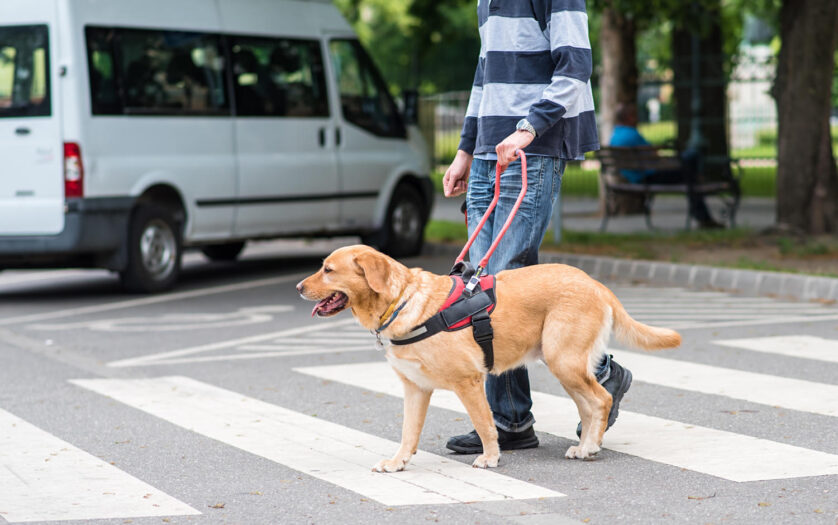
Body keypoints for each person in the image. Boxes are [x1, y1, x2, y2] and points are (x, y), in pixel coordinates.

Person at [442, 0, 633, 454]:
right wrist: (466, 150)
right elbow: (483, 76)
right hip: (490, 149)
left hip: (532, 149)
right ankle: (510, 422)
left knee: (506, 284)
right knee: (479, 289)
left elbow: (576, 66)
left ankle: (603, 374)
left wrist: (529, 128)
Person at [610, 103, 724, 229]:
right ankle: (703, 216)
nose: (637, 119)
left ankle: (702, 210)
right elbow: (654, 156)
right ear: (629, 117)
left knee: (689, 168)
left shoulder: (615, 136)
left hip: (636, 178)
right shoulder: (632, 134)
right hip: (648, 177)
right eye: (634, 116)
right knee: (691, 167)